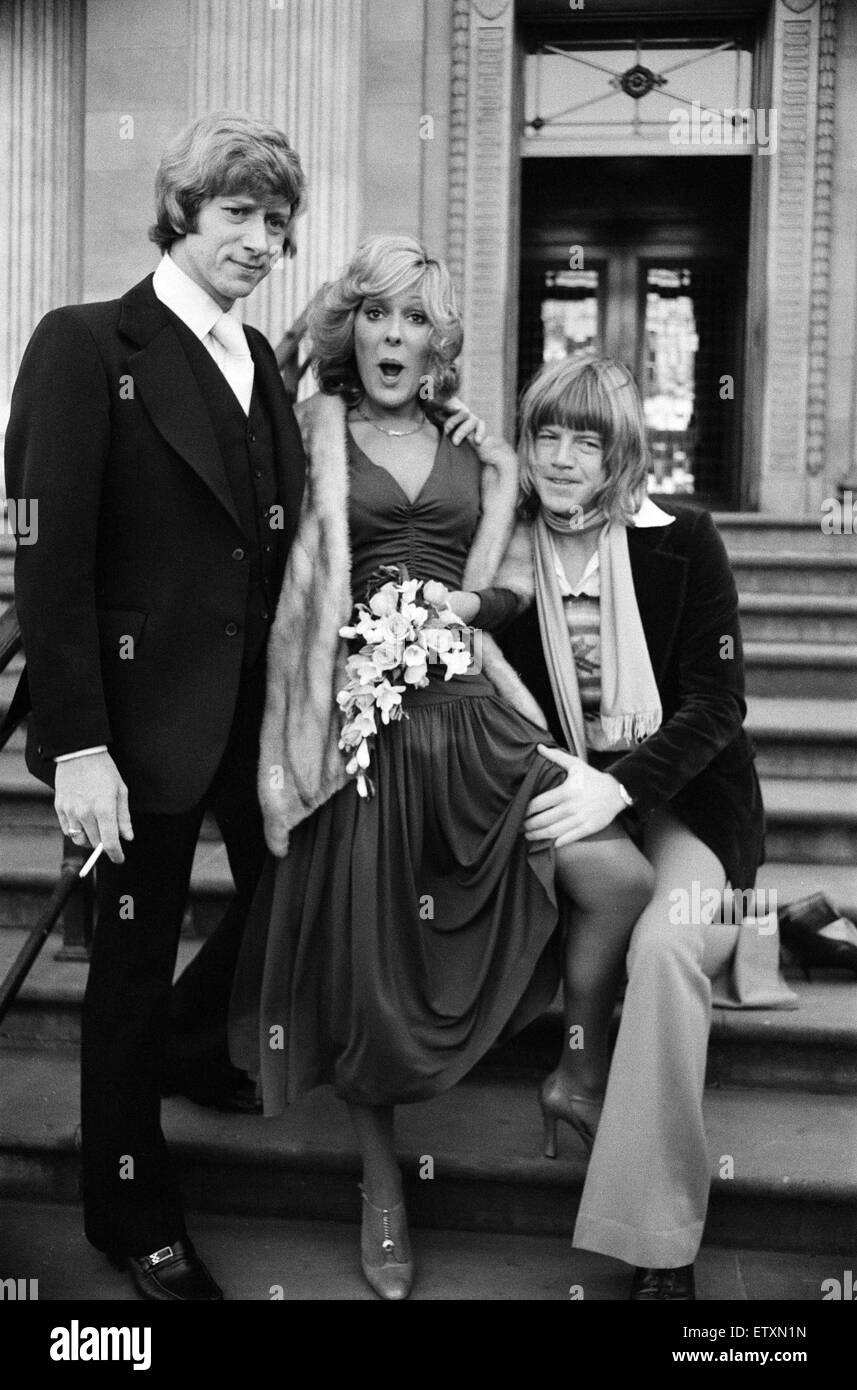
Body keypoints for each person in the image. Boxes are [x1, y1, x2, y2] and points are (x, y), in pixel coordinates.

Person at [228, 235, 654, 1300]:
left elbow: (510, 579)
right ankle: (380, 1189)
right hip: (356, 722)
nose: (395, 336)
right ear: (352, 328)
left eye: (416, 320)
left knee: (616, 877)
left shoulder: (482, 451)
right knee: (368, 965)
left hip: (465, 705)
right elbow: (265, 438)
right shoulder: (305, 430)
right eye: (377, 315)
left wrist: (460, 605)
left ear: (438, 345)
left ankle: (572, 1070)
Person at [4, 112, 307, 1300]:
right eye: (238, 214)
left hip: (248, 715)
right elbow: (51, 562)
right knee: (129, 963)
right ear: (183, 209)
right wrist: (78, 745)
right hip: (131, 726)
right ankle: (131, 1210)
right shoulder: (86, 344)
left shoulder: (260, 360)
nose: (259, 241)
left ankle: (194, 1040)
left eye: (277, 224)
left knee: (304, 881)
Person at [496, 354, 766, 1301]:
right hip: (555, 798)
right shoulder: (500, 551)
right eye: (546, 434)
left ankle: (658, 1244)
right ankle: (572, 1072)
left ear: (621, 453)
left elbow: (716, 703)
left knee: (663, 952)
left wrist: (620, 789)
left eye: (588, 438)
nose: (563, 457)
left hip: (686, 804)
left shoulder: (683, 540)